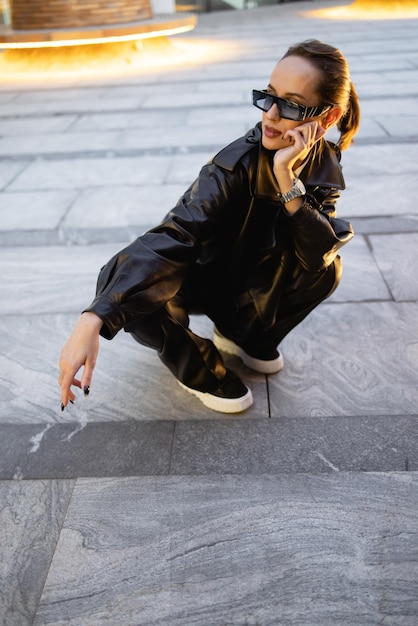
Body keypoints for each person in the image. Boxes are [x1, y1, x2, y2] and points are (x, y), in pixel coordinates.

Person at [59, 39, 360, 414]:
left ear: (326, 118)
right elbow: (176, 234)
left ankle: (242, 337)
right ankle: (204, 370)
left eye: (290, 105)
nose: (270, 115)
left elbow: (316, 254)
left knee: (327, 270)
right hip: (198, 281)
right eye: (268, 97)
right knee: (130, 297)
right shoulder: (233, 166)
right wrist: (94, 316)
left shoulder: (323, 163)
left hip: (248, 286)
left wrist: (286, 179)